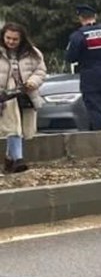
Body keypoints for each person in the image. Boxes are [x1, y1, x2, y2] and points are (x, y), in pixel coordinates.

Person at [0, 23, 47, 173]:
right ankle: (19, 160)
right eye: (8, 38)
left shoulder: (33, 53)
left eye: (15, 39)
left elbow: (40, 71)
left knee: (24, 129)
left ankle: (9, 158)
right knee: (13, 127)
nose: (11, 42)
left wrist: (33, 82)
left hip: (26, 94)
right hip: (5, 96)